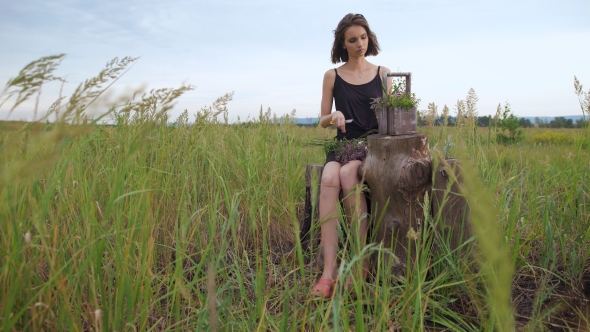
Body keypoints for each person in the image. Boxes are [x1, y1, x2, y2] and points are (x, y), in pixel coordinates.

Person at [311, 13, 391, 298]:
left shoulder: (383, 74)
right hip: (343, 145)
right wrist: (333, 116)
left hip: (370, 146)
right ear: (343, 44)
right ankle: (329, 271)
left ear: (369, 39)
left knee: (346, 174)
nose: (359, 44)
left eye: (363, 38)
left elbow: (390, 120)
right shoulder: (332, 75)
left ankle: (360, 264)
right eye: (353, 40)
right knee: (329, 176)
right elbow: (321, 120)